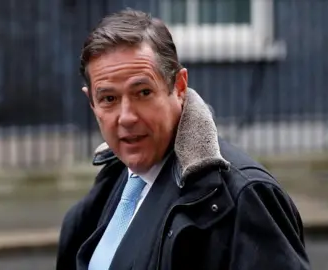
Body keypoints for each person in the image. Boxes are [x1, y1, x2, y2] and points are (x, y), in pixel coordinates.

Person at [56, 8, 311, 270]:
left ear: (179, 87)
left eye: (143, 92)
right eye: (109, 99)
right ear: (91, 102)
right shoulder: (114, 177)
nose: (127, 117)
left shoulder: (243, 197)